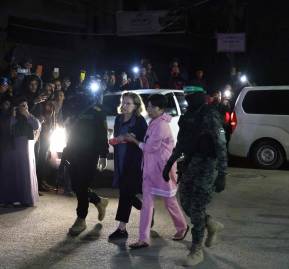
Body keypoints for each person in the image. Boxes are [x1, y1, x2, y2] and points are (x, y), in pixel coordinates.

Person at [162, 88, 227, 266]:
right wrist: (170, 163)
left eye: (192, 96)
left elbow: (221, 144)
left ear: (201, 96)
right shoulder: (188, 116)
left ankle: (196, 248)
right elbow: (182, 142)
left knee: (197, 206)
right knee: (186, 202)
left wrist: (222, 173)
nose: (189, 99)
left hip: (207, 165)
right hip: (191, 164)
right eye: (187, 96)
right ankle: (210, 223)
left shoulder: (210, 115)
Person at [126, 94, 188, 249]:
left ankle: (182, 227)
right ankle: (143, 239)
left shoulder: (161, 125)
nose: (148, 109)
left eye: (151, 106)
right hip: (150, 168)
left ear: (160, 108)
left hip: (162, 170)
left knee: (170, 201)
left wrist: (134, 140)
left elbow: (149, 147)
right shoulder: (154, 121)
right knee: (147, 204)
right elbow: (149, 145)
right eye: (148, 106)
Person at [63, 91, 110, 236]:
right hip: (73, 151)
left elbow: (103, 134)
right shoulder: (73, 108)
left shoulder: (97, 111)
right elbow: (70, 133)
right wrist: (66, 152)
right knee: (77, 186)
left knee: (82, 186)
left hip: (89, 154)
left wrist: (103, 155)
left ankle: (81, 219)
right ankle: (98, 201)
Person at [108, 92, 148, 240]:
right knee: (128, 193)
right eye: (123, 103)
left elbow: (144, 142)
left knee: (125, 194)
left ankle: (121, 229)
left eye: (128, 103)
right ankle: (147, 211)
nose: (124, 106)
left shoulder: (139, 121)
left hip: (133, 162)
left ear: (136, 105)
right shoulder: (118, 119)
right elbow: (118, 137)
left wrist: (128, 139)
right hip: (120, 160)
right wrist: (115, 140)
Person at [0, 98, 41, 207]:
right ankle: (9, 198)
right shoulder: (13, 117)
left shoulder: (30, 117)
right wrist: (13, 115)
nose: (24, 108)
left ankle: (25, 199)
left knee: (24, 171)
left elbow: (36, 125)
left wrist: (27, 114)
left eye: (26, 105)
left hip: (25, 147)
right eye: (22, 105)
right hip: (12, 146)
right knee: (11, 171)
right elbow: (8, 129)